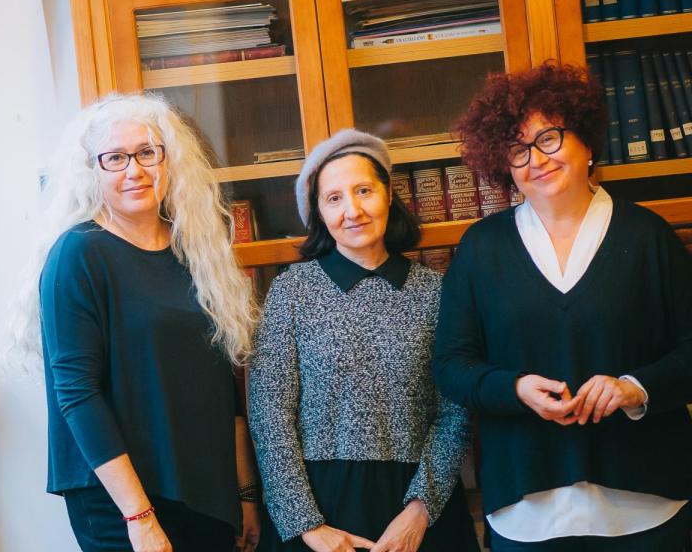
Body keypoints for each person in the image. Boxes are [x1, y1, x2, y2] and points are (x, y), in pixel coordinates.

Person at [433, 62, 692, 551]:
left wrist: (635, 388)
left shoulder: (648, 237)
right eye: (518, 148)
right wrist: (514, 389)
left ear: (587, 141)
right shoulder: (481, 248)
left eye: (549, 138)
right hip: (526, 511)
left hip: (646, 505)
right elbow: (450, 366)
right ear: (502, 163)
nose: (536, 159)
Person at [26, 93, 260, 551]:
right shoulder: (78, 255)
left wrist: (244, 492)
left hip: (203, 490)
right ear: (91, 170)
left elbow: (222, 385)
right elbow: (77, 394)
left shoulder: (197, 251)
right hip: (122, 502)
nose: (134, 171)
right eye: (114, 158)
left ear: (169, 160)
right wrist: (139, 516)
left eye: (147, 153)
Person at [249, 129, 477, 552]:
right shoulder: (291, 291)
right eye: (333, 198)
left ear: (388, 195)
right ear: (319, 212)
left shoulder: (436, 292)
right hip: (317, 508)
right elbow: (269, 418)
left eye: (363, 190)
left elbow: (455, 414)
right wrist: (308, 526)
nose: (352, 210)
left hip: (418, 511)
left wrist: (420, 511)